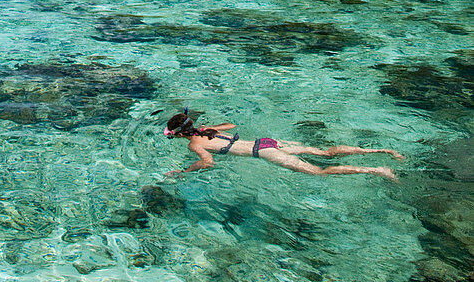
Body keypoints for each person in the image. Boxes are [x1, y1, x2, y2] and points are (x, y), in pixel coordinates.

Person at [163, 110, 403, 179]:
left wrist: (184, 171)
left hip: (264, 152)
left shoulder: (194, 144)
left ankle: (377, 170)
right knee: (326, 153)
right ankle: (384, 151)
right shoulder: (206, 131)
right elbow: (231, 125)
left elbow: (208, 163)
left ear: (179, 134)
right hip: (268, 141)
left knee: (319, 172)